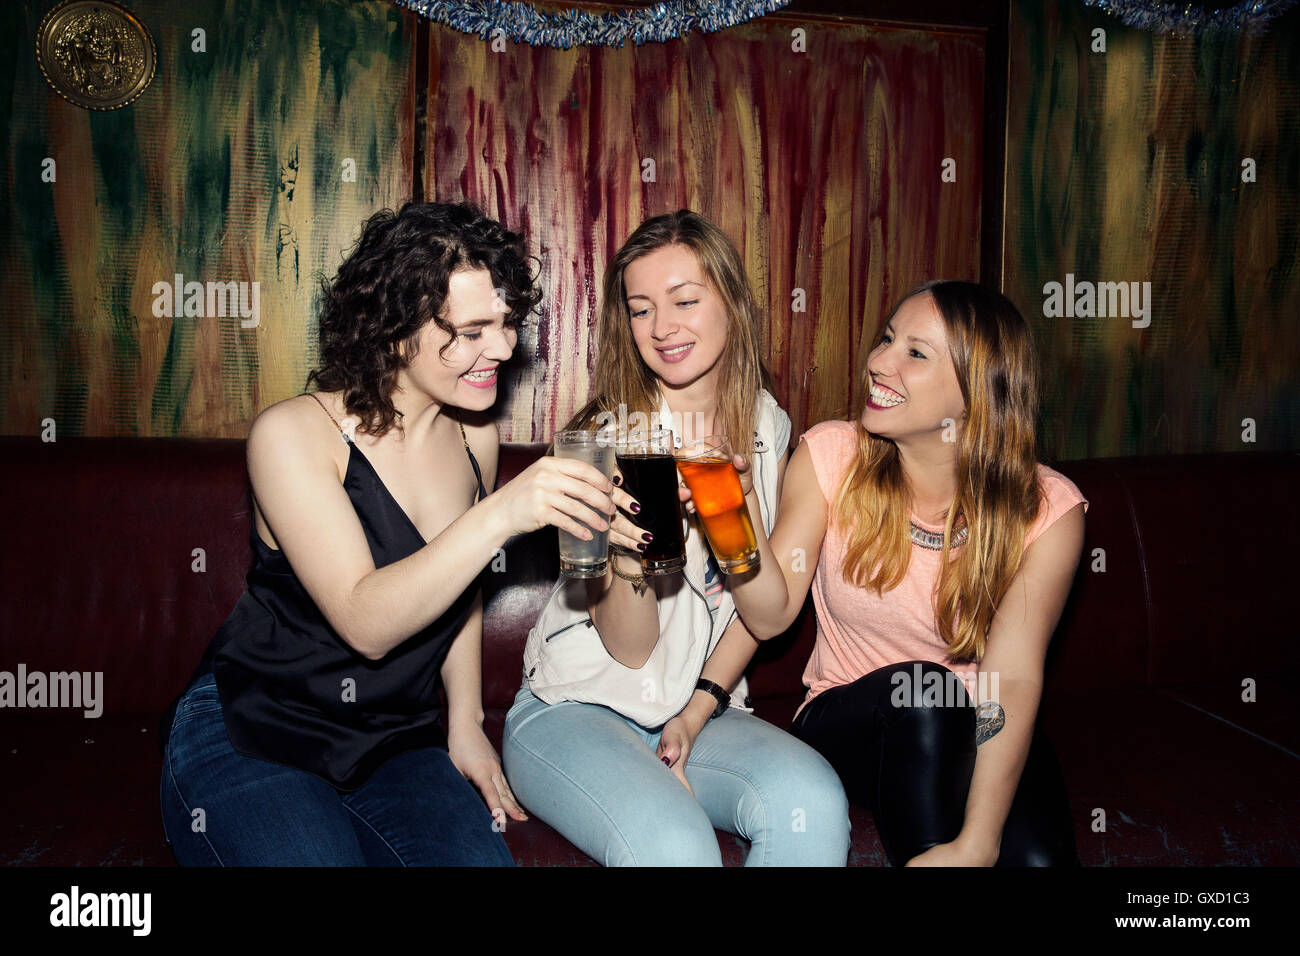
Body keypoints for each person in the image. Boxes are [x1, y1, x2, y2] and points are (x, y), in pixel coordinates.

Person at [159, 201, 631, 866]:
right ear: (392, 330)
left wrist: (463, 721)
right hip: (254, 728)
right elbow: (365, 619)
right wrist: (501, 514)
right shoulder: (293, 435)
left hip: (393, 738)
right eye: (470, 332)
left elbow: (456, 587)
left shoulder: (475, 437)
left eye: (503, 324)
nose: (500, 349)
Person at [502, 210, 851, 866]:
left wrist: (732, 509)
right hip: (575, 708)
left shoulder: (766, 429)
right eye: (640, 309)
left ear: (734, 304)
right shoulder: (603, 441)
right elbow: (631, 650)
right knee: (676, 844)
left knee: (813, 802)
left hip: (699, 711)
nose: (662, 328)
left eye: (685, 300)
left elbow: (767, 616)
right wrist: (626, 550)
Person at [720, 280, 1086, 866]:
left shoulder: (1046, 507)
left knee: (1037, 860)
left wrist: (979, 842)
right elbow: (771, 611)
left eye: (915, 353)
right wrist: (731, 517)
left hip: (974, 722)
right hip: (853, 725)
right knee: (924, 691)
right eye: (887, 339)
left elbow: (1011, 676)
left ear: (978, 393)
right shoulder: (832, 455)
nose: (877, 362)